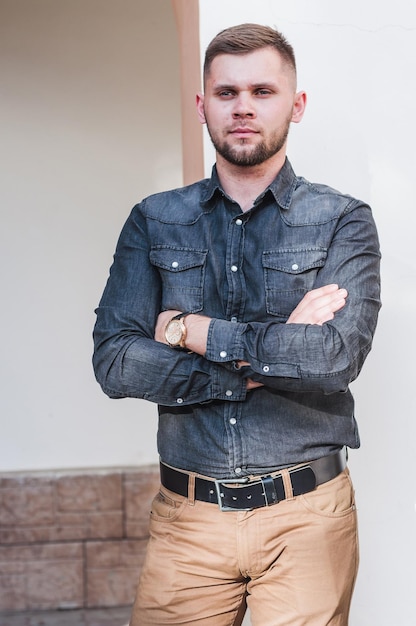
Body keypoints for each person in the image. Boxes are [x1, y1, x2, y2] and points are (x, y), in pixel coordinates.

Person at [93, 23, 381, 626]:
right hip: (187, 519)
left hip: (307, 518)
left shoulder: (342, 221)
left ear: (295, 105)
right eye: (225, 93)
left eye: (262, 91)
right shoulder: (153, 221)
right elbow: (115, 360)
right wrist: (263, 360)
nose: (243, 106)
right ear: (202, 107)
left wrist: (187, 329)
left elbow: (333, 359)